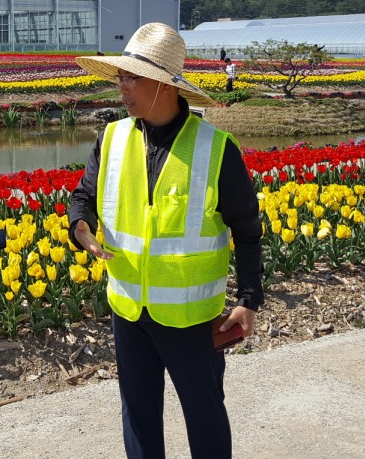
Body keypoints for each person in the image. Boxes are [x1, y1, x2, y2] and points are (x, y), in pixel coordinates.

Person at [69, 23, 263, 458]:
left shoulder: (216, 149)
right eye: (120, 76)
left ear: (165, 85)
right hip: (128, 310)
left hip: (191, 318)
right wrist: (80, 226)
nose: (122, 86)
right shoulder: (112, 139)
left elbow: (248, 232)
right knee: (137, 413)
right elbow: (83, 196)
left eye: (131, 77)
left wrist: (249, 300)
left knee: (205, 415)